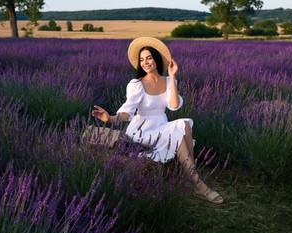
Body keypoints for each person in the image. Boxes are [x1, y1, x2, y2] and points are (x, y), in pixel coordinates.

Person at [92, 37, 223, 204]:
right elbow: (126, 112)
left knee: (183, 125)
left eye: (149, 58)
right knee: (180, 129)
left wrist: (172, 76)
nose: (145, 62)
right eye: (141, 60)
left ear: (156, 59)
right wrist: (109, 118)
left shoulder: (169, 81)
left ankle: (193, 174)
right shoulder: (137, 84)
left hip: (161, 124)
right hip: (142, 131)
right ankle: (197, 183)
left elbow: (174, 106)